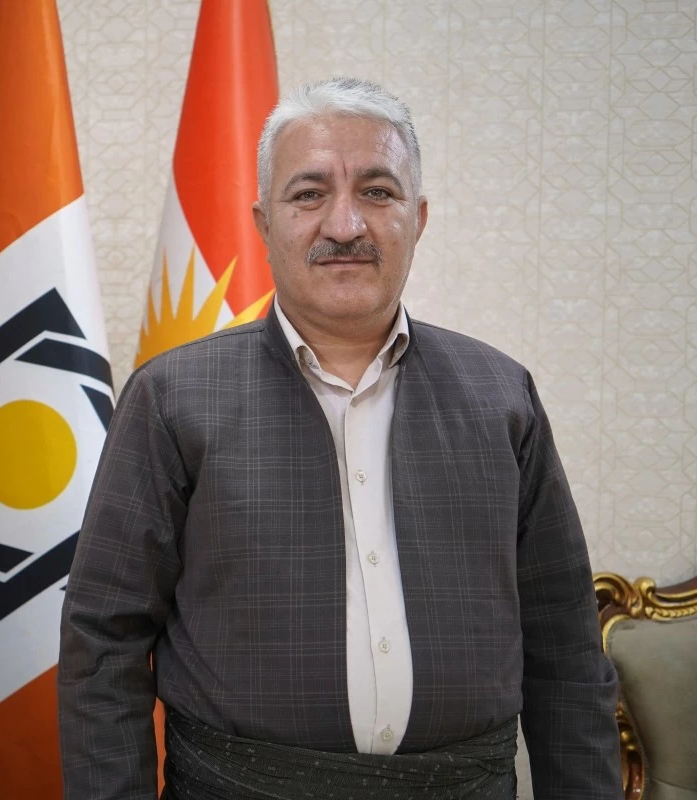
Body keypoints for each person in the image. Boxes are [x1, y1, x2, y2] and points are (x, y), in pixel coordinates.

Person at [58, 77, 620, 800]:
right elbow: (102, 641)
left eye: (378, 193)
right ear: (265, 222)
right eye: (309, 194)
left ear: (417, 218)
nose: (345, 224)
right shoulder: (172, 400)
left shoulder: (501, 396)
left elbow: (566, 649)